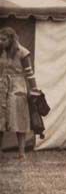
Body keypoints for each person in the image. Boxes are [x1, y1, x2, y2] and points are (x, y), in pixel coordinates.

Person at [0, 27, 38, 159]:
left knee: (19, 120)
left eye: (3, 39)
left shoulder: (22, 52)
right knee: (1, 119)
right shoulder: (1, 51)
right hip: (2, 87)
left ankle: (22, 153)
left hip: (17, 88)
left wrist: (34, 90)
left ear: (11, 39)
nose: (1, 42)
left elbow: (29, 73)